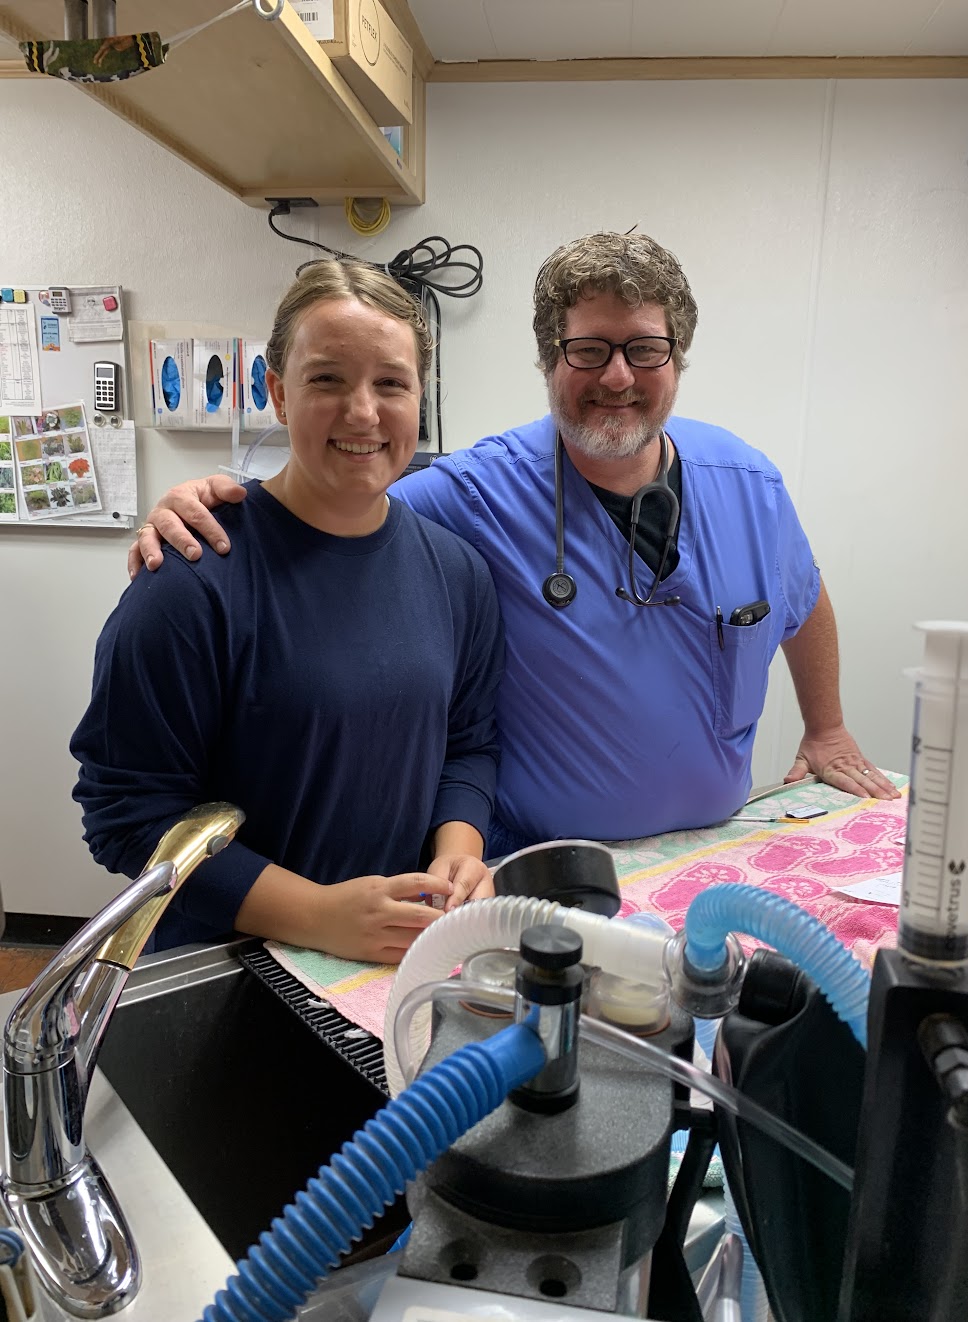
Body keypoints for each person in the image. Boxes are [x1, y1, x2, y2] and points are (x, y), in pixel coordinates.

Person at [127, 232, 898, 859]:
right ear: (547, 359)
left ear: (678, 358)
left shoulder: (749, 482)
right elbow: (341, 487)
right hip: (533, 861)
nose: (619, 376)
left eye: (646, 349)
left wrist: (825, 727)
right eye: (588, 349)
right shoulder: (471, 493)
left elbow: (803, 597)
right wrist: (212, 497)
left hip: (701, 852)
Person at [72, 259, 504, 959]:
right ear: (276, 392)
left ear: (420, 396)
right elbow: (126, 813)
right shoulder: (189, 580)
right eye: (327, 379)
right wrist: (314, 914)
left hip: (394, 955)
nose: (363, 411)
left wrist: (458, 848)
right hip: (226, 964)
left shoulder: (458, 574)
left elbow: (471, 743)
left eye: (390, 383)